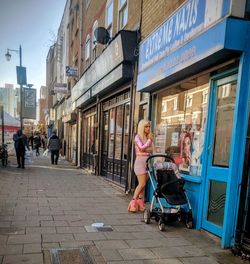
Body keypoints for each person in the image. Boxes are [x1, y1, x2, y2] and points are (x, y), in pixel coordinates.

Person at [128, 119, 154, 213]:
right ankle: (133, 203)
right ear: (141, 127)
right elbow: (142, 148)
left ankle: (140, 203)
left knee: (143, 185)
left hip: (147, 162)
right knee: (141, 183)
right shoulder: (137, 137)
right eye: (146, 126)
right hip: (139, 163)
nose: (148, 128)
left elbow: (152, 150)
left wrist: (147, 146)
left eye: (149, 126)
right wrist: (149, 142)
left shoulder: (147, 137)